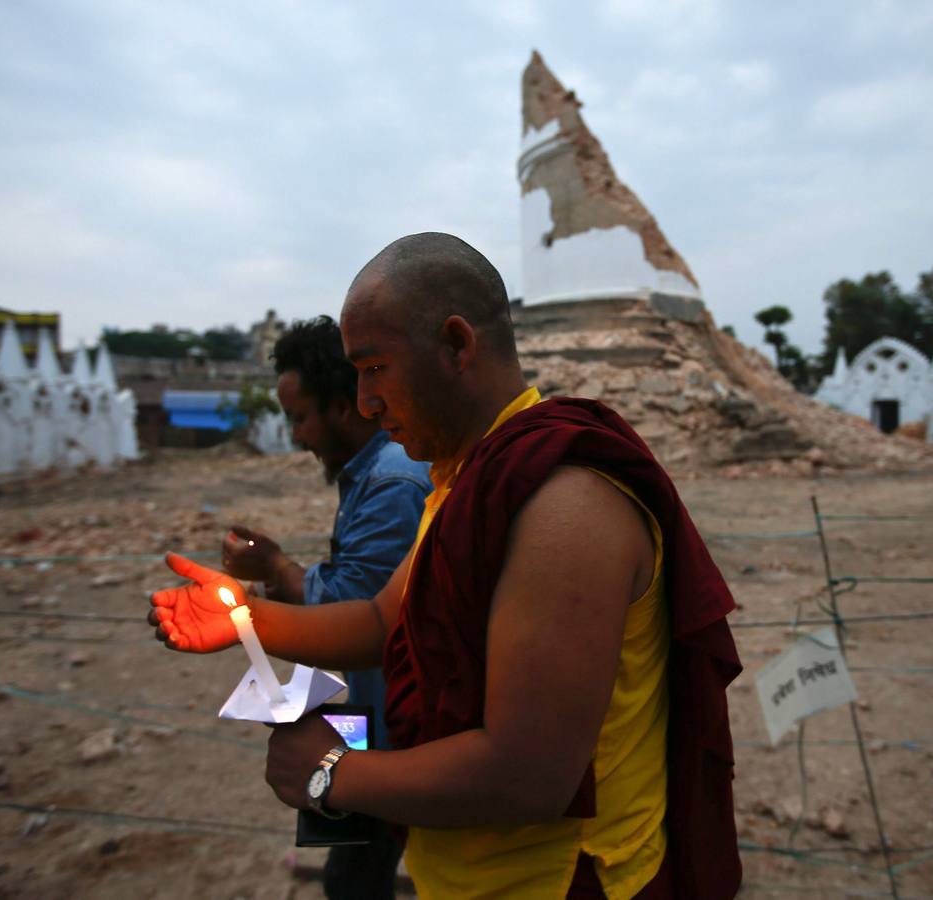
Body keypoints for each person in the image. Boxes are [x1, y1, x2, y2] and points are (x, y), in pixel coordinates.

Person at [149, 233, 743, 899]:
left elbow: (528, 774)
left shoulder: (563, 501)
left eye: (375, 368)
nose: (366, 402)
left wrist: (332, 773)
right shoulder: (462, 482)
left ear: (458, 346)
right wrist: (242, 616)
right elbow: (380, 621)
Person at [218, 315, 430, 900]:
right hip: (370, 713)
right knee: (350, 869)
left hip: (398, 731)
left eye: (300, 417)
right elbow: (347, 586)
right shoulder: (367, 476)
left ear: (344, 407)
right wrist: (279, 572)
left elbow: (353, 613)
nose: (296, 435)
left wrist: (254, 601)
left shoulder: (393, 483)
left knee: (358, 877)